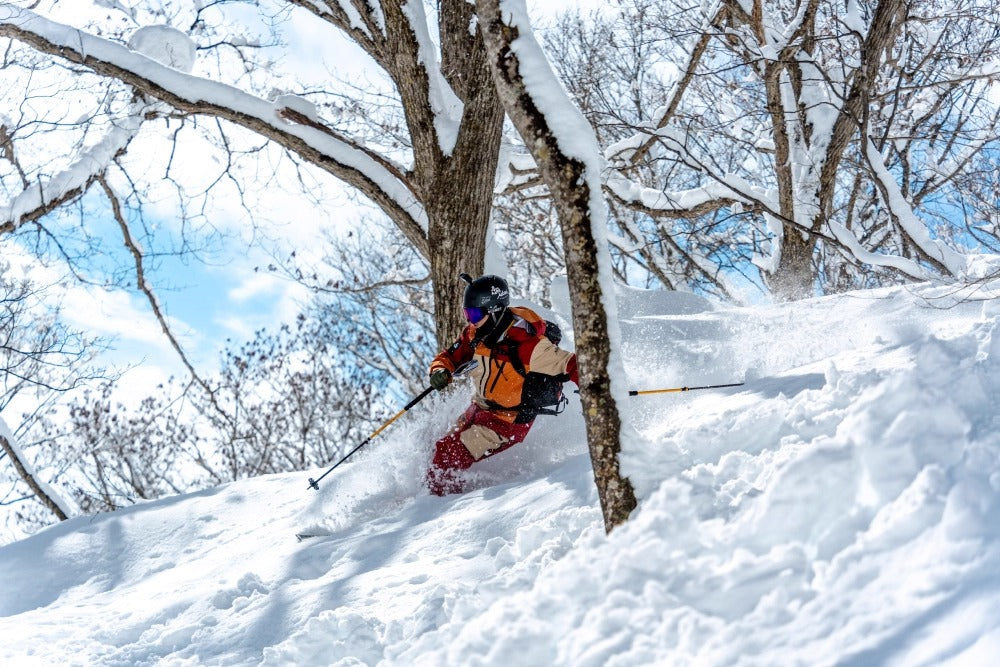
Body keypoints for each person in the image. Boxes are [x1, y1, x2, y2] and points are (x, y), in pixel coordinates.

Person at [426, 274, 579, 495]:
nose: (470, 320)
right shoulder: (475, 333)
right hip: (479, 408)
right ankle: (435, 494)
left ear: (495, 310)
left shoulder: (529, 346)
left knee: (448, 454)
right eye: (467, 313)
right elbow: (449, 357)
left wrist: (601, 387)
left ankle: (437, 504)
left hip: (506, 422)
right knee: (439, 445)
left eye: (475, 314)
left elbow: (572, 364)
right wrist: (440, 370)